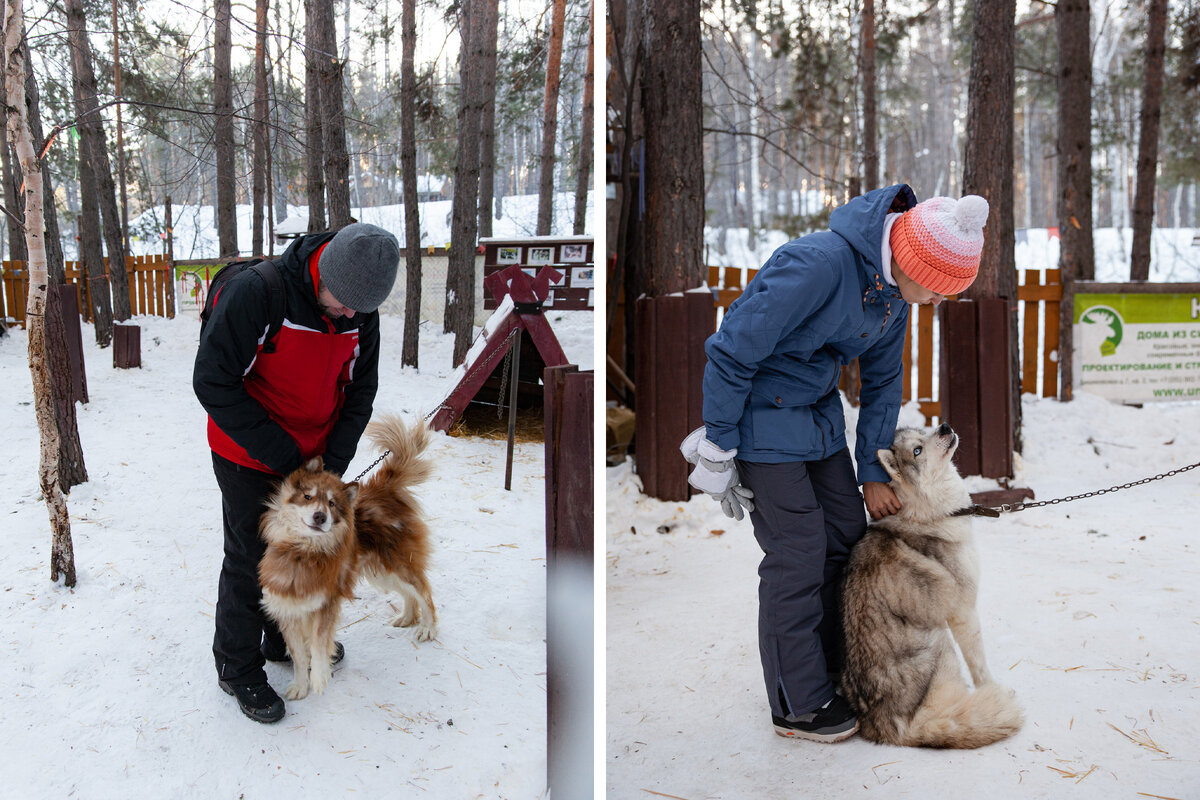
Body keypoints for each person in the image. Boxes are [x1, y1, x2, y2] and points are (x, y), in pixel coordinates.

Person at [682, 184, 988, 742]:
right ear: (913, 261)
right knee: (798, 553)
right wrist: (719, 444)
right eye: (940, 290)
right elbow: (731, 349)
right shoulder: (816, 265)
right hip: (760, 424)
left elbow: (884, 381)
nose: (940, 302)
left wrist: (873, 473)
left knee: (850, 540)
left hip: (818, 423)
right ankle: (796, 702)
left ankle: (834, 674)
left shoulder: (893, 294)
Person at [193, 222, 401, 723]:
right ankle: (237, 666)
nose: (351, 314)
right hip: (248, 452)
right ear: (322, 273)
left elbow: (359, 391)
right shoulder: (259, 294)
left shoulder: (358, 310)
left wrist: (332, 464)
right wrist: (287, 460)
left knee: (306, 554)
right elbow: (212, 380)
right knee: (251, 555)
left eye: (361, 308)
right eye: (343, 302)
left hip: (313, 460)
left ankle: (279, 639)